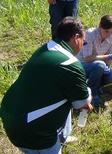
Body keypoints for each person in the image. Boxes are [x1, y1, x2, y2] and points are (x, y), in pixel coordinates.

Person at [0, 17, 93, 153]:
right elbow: (83, 103)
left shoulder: (46, 48)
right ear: (76, 37)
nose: (82, 46)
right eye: (83, 43)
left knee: (66, 96)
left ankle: (62, 137)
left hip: (10, 113)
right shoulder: (70, 64)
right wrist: (88, 92)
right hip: (32, 130)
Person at [76, 15, 112, 104]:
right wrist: (109, 57)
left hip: (98, 65)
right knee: (99, 65)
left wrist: (108, 65)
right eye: (106, 32)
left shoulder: (110, 37)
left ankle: (93, 86)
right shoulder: (90, 34)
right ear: (100, 26)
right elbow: (87, 58)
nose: (109, 35)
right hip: (82, 65)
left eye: (111, 32)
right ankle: (92, 94)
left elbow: (107, 53)